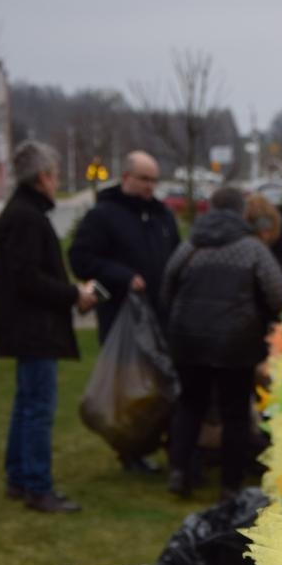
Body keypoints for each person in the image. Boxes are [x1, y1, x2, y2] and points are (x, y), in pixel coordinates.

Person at [160, 185, 282, 499]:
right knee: (234, 413)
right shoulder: (252, 247)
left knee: (190, 405)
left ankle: (180, 472)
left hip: (187, 340)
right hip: (236, 342)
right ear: (240, 212)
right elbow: (279, 294)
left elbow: (166, 287)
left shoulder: (190, 244)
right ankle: (230, 485)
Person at [0, 140, 98, 513]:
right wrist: (74, 294)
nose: (55, 182)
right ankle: (37, 485)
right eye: (53, 175)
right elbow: (28, 278)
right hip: (34, 329)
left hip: (28, 327)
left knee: (26, 404)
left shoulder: (22, 212)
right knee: (37, 408)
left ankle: (19, 479)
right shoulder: (26, 217)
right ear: (42, 177)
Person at [69, 149, 180, 472]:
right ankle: (130, 450)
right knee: (130, 391)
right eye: (144, 179)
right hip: (123, 319)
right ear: (127, 177)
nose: (150, 186)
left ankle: (164, 445)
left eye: (154, 180)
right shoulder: (104, 216)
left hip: (161, 316)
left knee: (163, 386)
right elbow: (81, 258)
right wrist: (122, 277)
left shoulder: (162, 216)